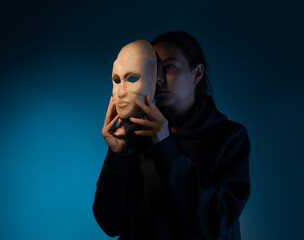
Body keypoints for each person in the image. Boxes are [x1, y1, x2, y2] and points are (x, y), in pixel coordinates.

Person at [93, 31, 251, 240]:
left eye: (169, 67)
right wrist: (117, 155)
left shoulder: (230, 137)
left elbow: (216, 223)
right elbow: (110, 223)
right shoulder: (134, 136)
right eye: (153, 68)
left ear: (197, 73)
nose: (158, 78)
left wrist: (165, 146)